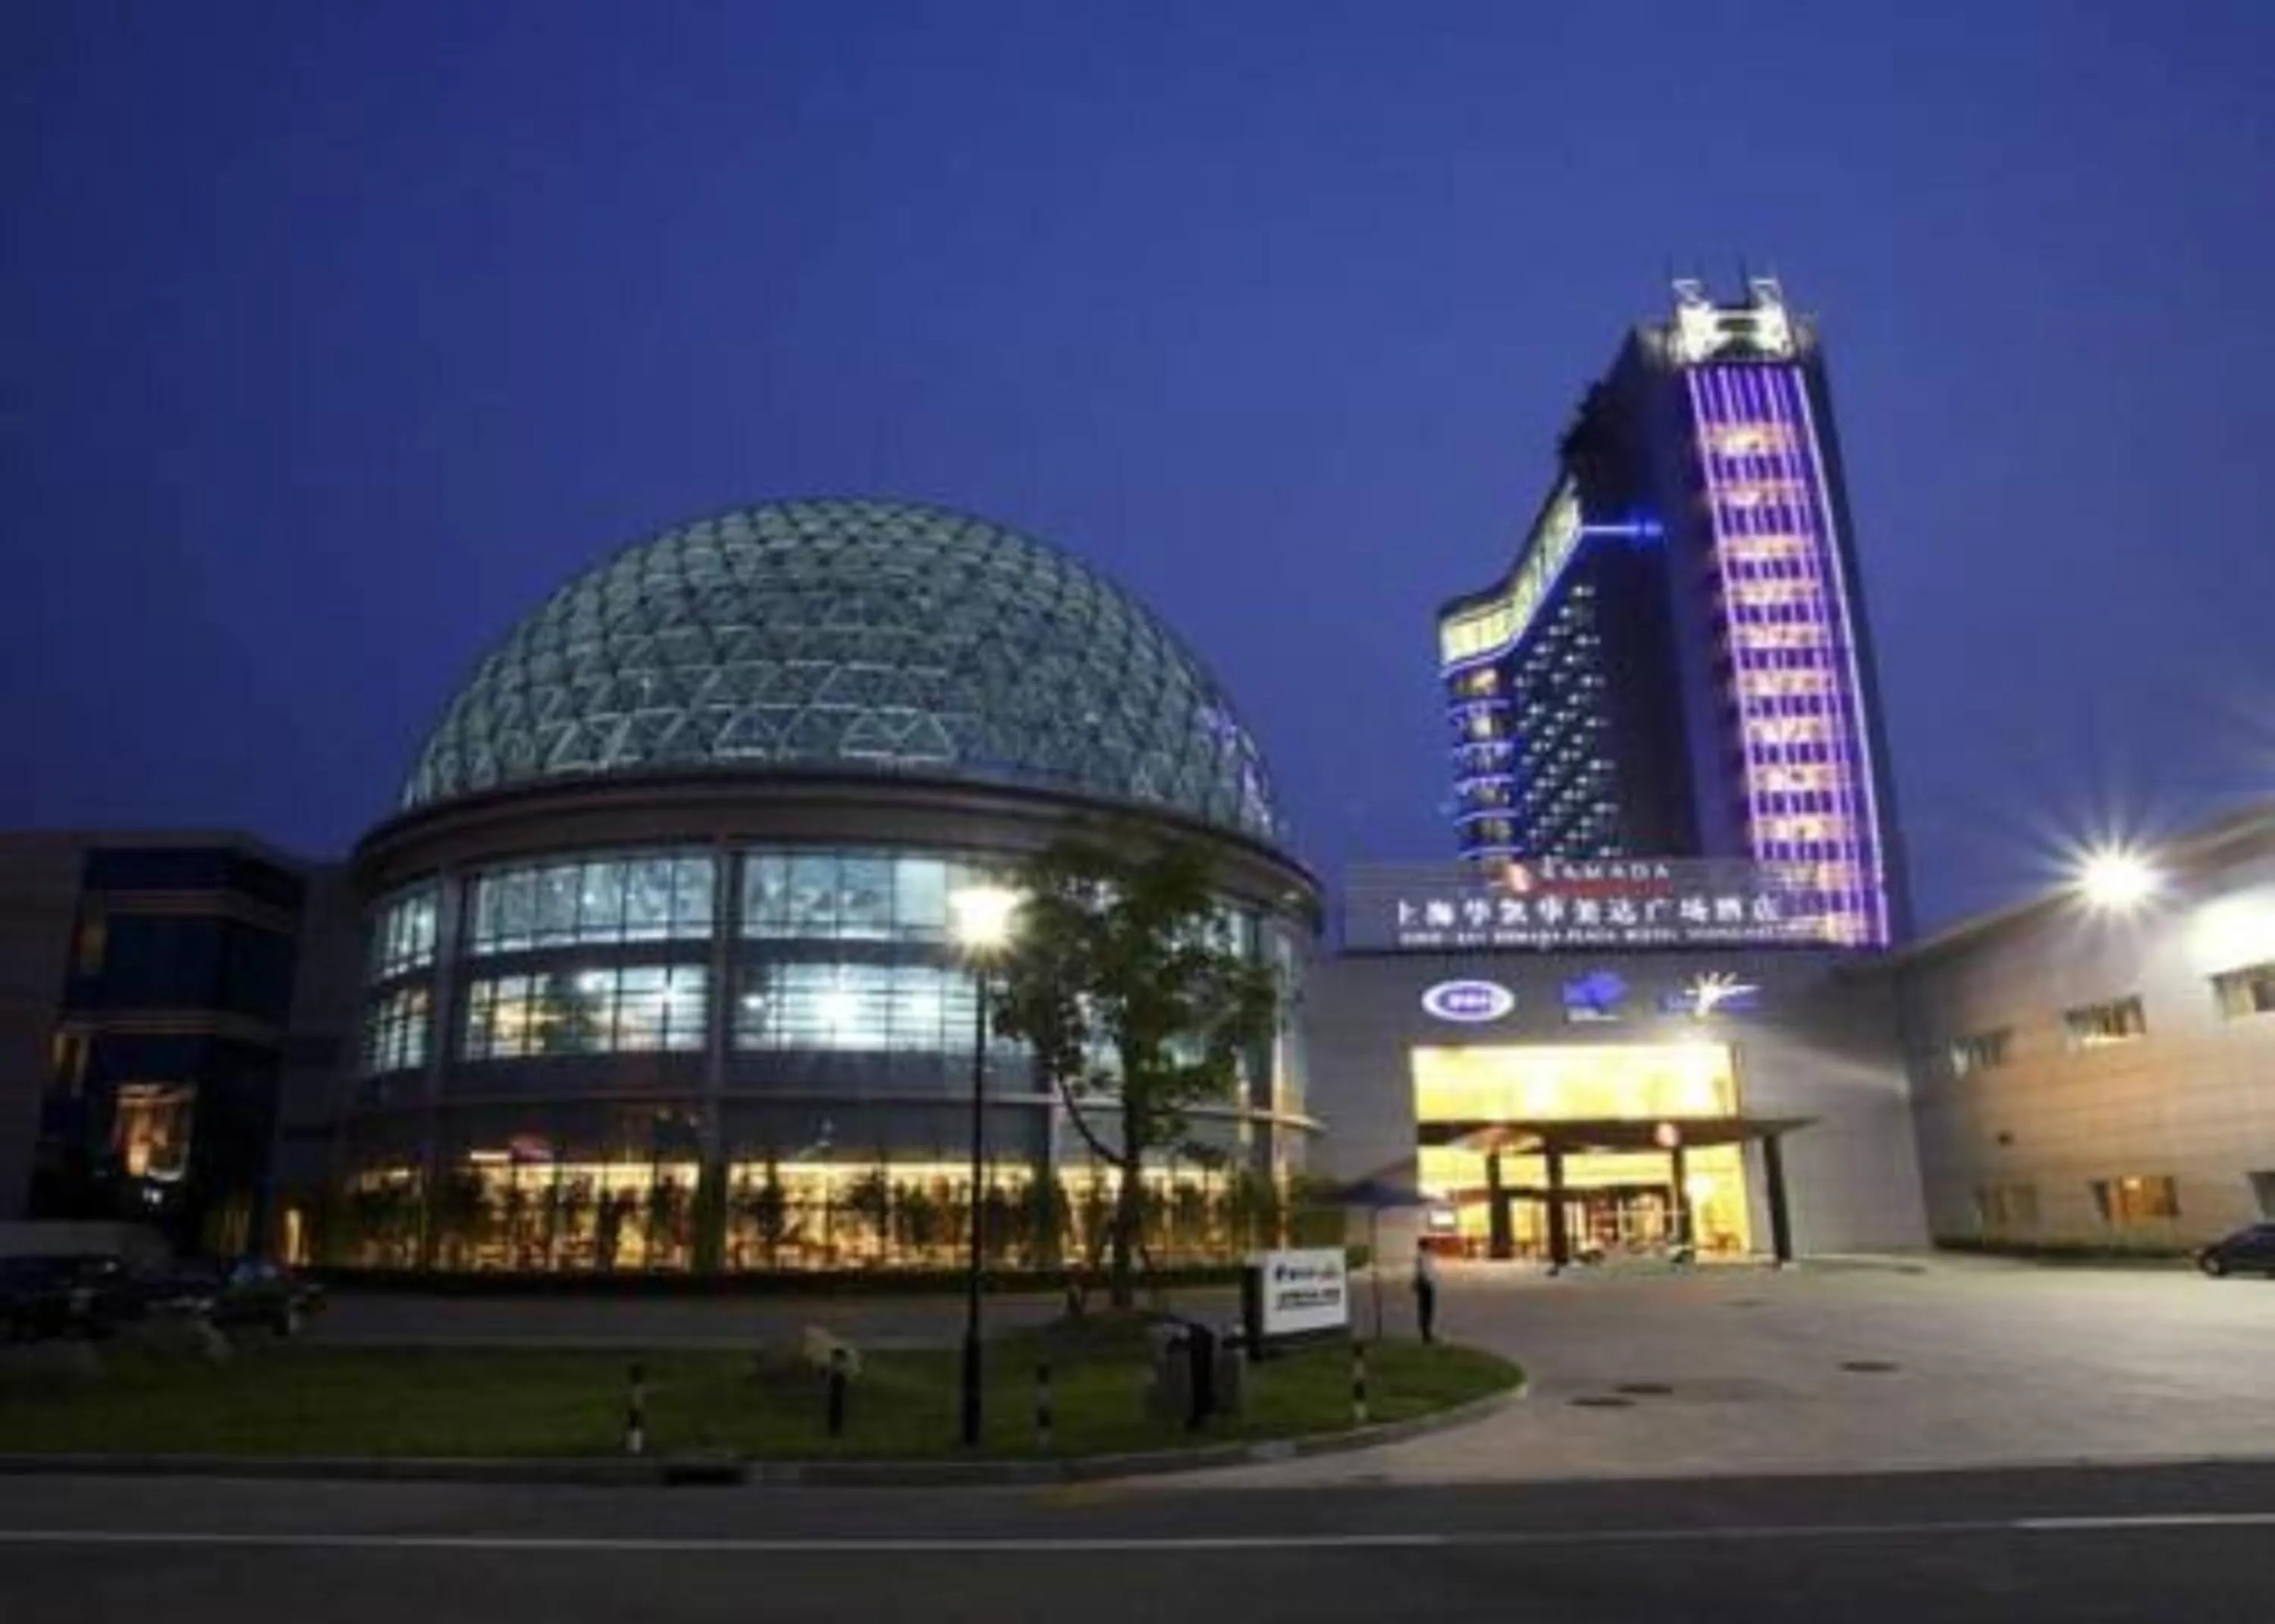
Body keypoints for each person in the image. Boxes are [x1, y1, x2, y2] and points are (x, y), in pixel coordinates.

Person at [1412, 1242, 1439, 1344]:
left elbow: (1419, 1272)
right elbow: (1421, 1272)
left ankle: (1426, 1332)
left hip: (1426, 1284)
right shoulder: (1424, 1258)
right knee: (1427, 1309)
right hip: (1426, 1285)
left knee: (1425, 1309)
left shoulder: (1422, 1257)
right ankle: (1426, 1334)